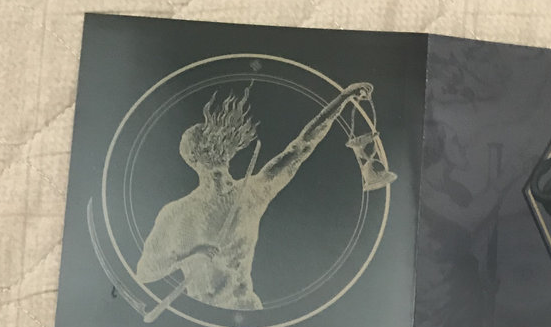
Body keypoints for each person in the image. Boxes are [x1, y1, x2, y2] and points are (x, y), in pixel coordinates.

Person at [136, 81, 376, 310]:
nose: (214, 148)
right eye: (206, 144)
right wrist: (192, 252)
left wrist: (342, 99)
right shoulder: (176, 213)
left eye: (212, 142)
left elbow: (300, 148)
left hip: (247, 308)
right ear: (194, 159)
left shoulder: (252, 192)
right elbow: (146, 272)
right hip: (209, 318)